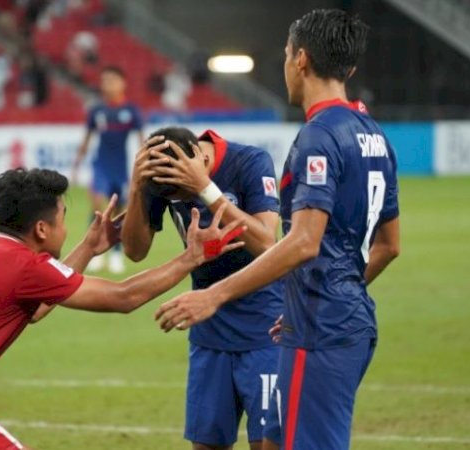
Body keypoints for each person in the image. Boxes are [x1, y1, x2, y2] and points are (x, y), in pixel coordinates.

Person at [154, 10, 401, 450]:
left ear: (301, 59)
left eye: (287, 54)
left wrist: (214, 293)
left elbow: (303, 242)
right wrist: (327, 294)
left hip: (322, 328)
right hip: (346, 320)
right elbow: (389, 246)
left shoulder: (319, 136)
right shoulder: (374, 134)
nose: (286, 64)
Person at [0, 168, 244, 450]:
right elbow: (123, 297)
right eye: (63, 219)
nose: (66, 228)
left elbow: (37, 308)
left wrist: (88, 249)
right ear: (42, 230)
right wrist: (190, 258)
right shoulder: (22, 266)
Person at [122, 128, 283, 450]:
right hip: (208, 326)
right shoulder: (164, 174)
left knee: (268, 445)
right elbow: (135, 251)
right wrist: (137, 188)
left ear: (203, 159)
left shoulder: (249, 161)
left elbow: (268, 243)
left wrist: (205, 189)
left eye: (183, 193)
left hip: (265, 326)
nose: (180, 202)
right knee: (206, 445)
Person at [73, 66, 144, 273]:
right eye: (104, 81)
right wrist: (76, 166)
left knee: (121, 210)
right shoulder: (97, 111)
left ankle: (115, 253)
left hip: (120, 168)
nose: (108, 85)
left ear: (123, 83)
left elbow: (141, 142)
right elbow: (87, 139)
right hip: (100, 165)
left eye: (112, 80)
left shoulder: (130, 111)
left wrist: (141, 171)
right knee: (96, 205)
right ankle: (92, 251)